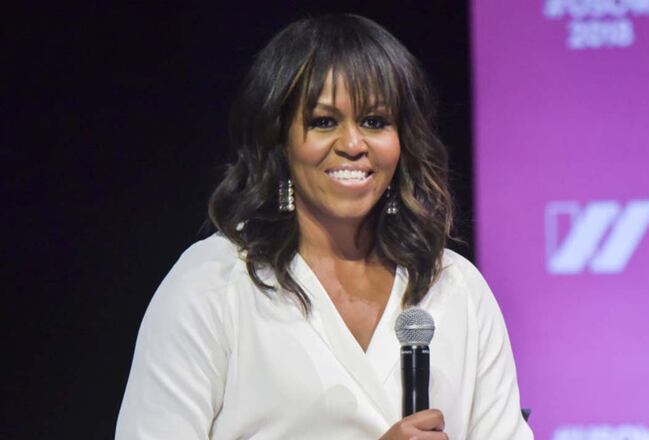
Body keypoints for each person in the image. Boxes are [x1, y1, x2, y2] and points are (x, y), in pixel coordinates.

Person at [116, 14, 533, 440]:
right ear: (280, 140)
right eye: (323, 121)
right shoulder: (214, 284)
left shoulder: (455, 286)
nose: (353, 145)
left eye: (375, 121)